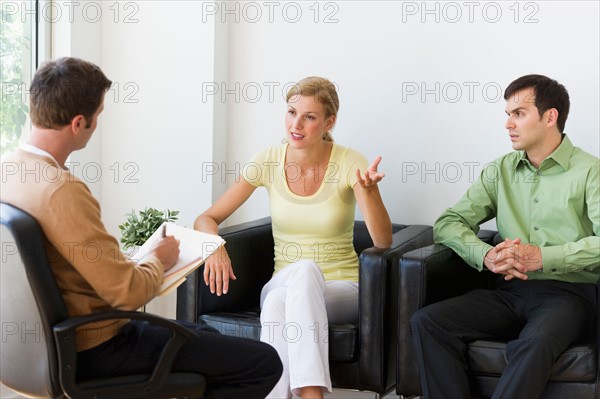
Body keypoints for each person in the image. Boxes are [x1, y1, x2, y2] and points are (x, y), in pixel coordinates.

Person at [0, 57, 282, 399]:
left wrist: (133, 260)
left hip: (42, 347)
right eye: (98, 116)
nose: (97, 124)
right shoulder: (60, 190)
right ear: (79, 123)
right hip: (99, 347)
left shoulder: (10, 172)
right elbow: (128, 294)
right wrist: (158, 258)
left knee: (215, 342)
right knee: (263, 362)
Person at [194, 76, 393, 399]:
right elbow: (206, 217)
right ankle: (310, 394)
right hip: (283, 279)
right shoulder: (268, 160)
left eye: (309, 117)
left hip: (342, 289)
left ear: (329, 122)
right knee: (296, 276)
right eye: (291, 112)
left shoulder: (349, 162)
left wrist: (370, 194)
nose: (295, 124)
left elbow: (383, 242)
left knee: (279, 301)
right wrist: (214, 245)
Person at [410, 74, 599, 398]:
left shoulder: (589, 171)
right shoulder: (500, 171)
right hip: (509, 291)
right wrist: (485, 254)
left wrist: (542, 257)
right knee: (428, 322)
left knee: (535, 342)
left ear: (550, 116)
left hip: (570, 294)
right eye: (508, 114)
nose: (508, 124)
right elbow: (449, 222)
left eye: (519, 113)